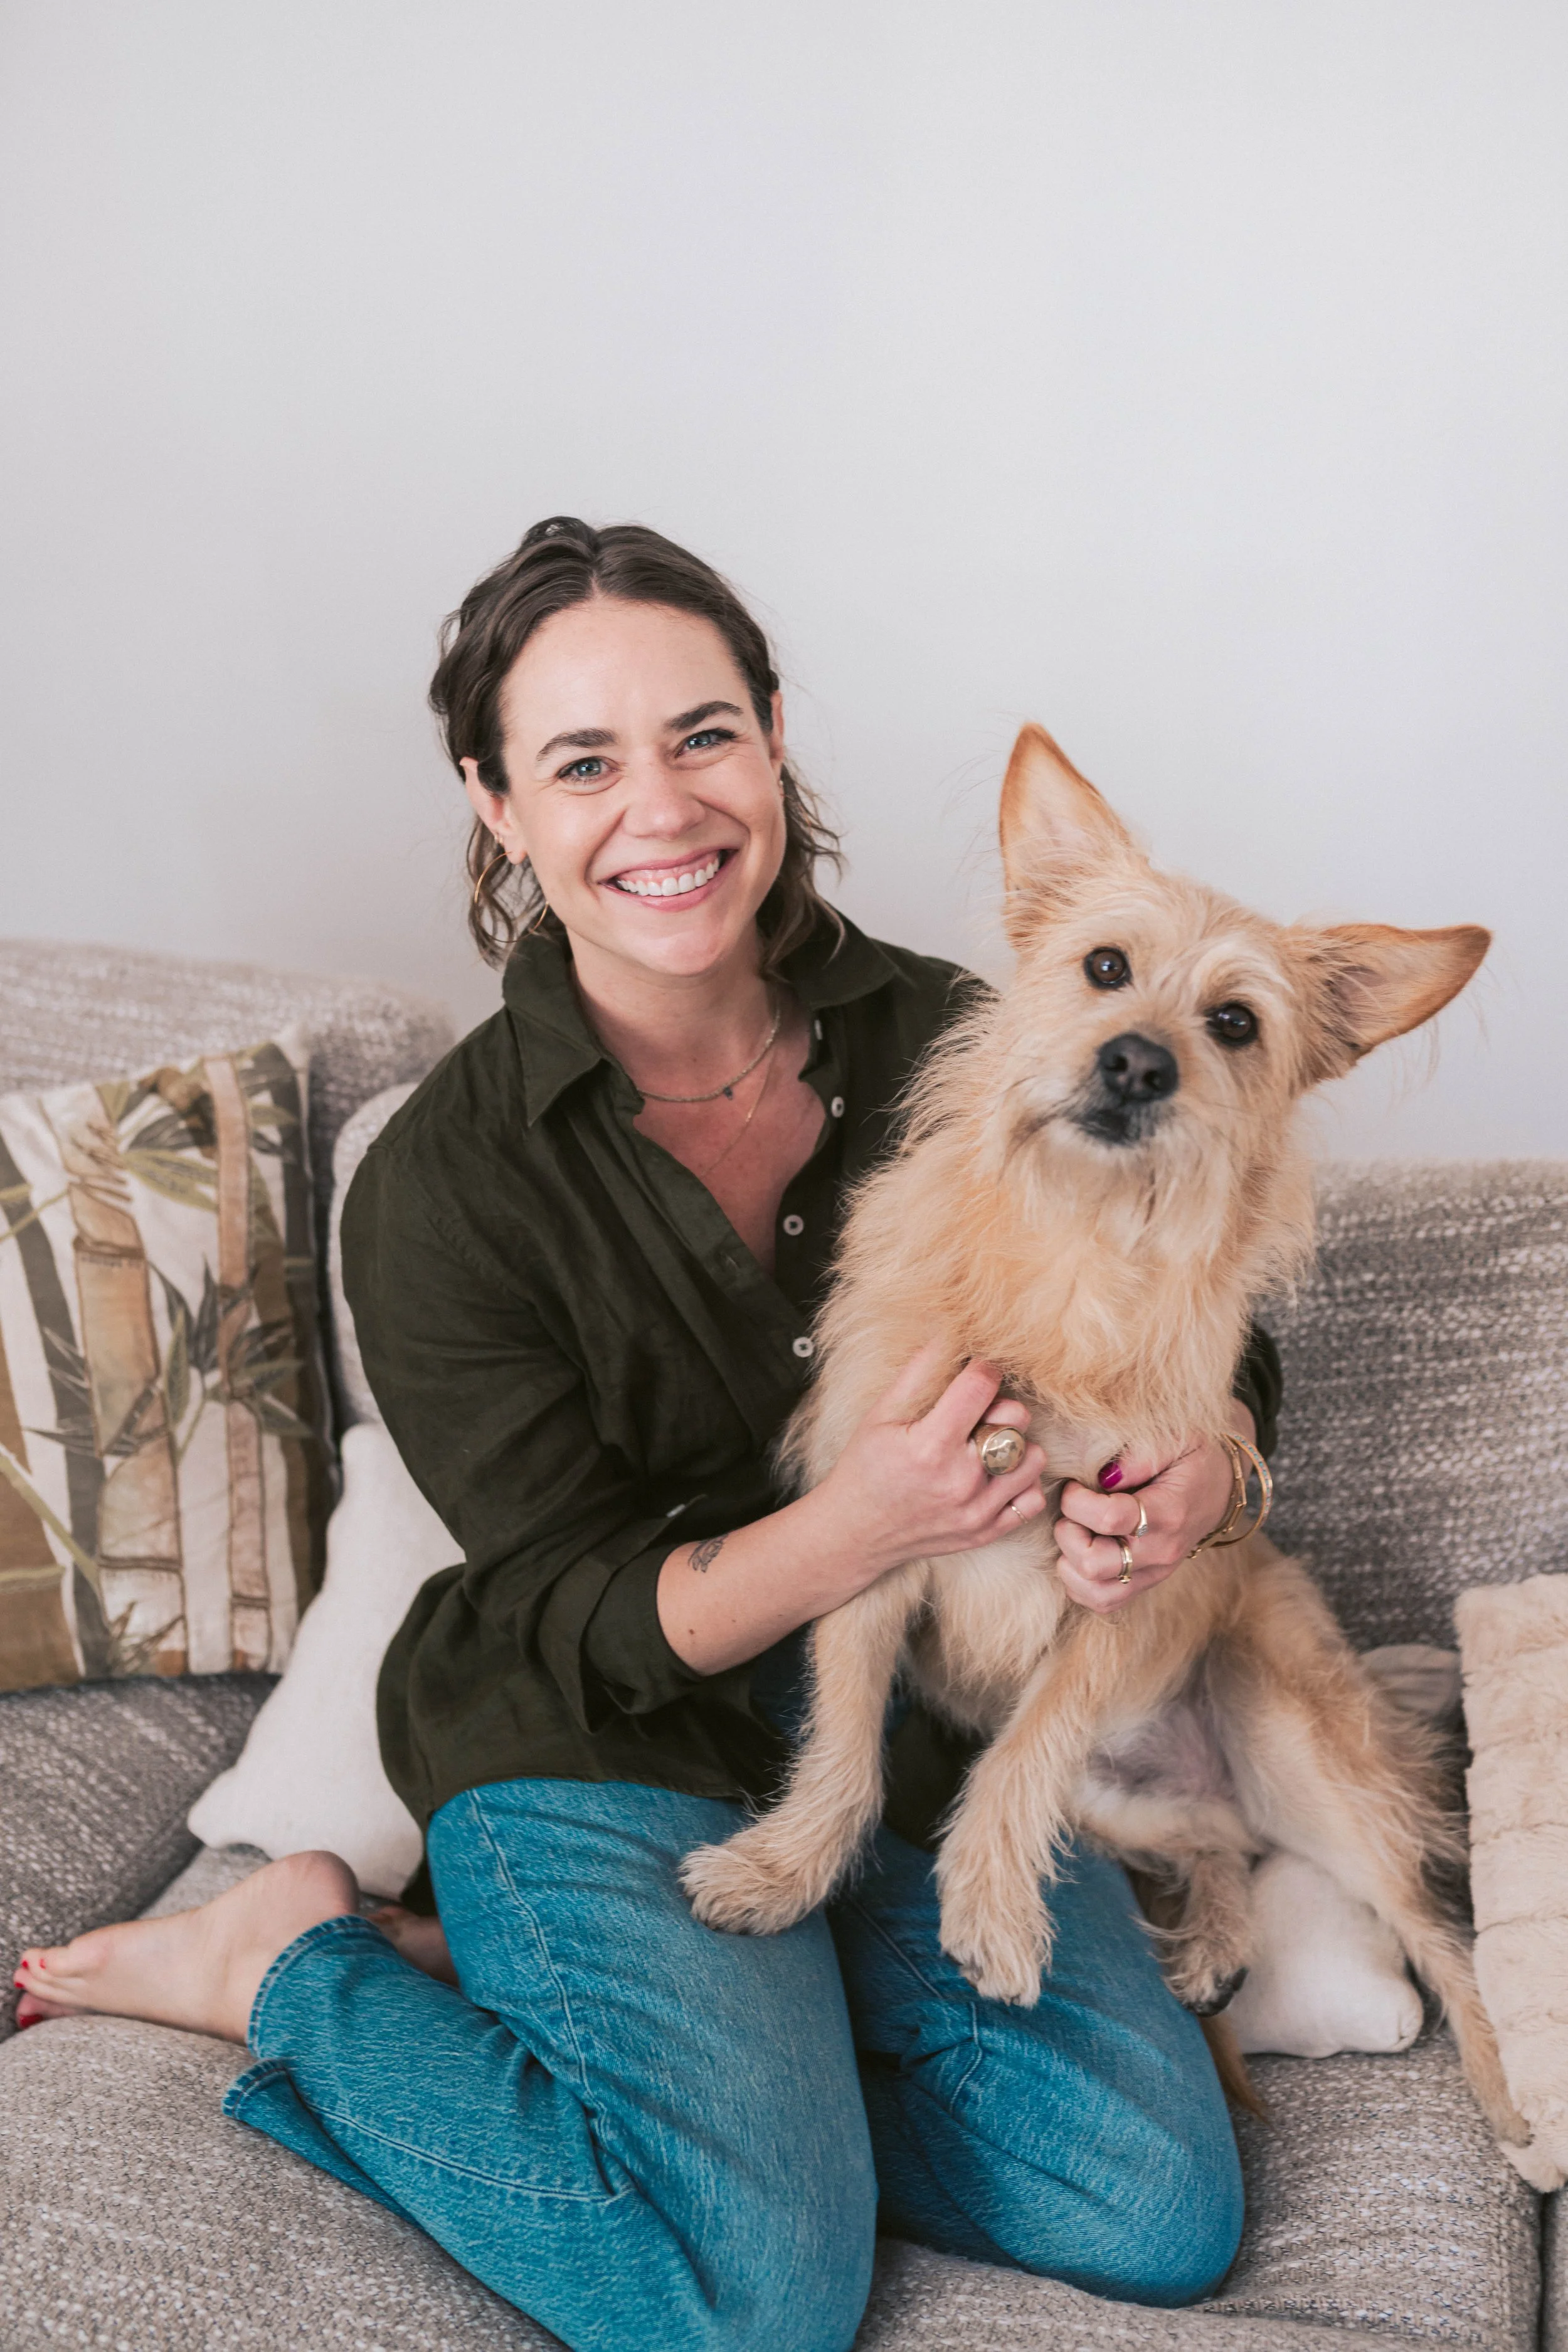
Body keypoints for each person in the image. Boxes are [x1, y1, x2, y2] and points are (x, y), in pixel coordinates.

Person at [14, 519, 1279, 2352]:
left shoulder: (973, 1023)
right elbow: (570, 1601)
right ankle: (285, 1962)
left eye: (700, 733)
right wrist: (862, 1519)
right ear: (496, 802)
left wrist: (1213, 1462)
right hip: (601, 1722)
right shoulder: (444, 1182)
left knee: (1153, 2208)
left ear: (771, 737)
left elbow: (1214, 1281)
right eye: (581, 761)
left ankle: (714, 2067)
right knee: (750, 2297)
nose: (659, 806)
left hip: (913, 1715)